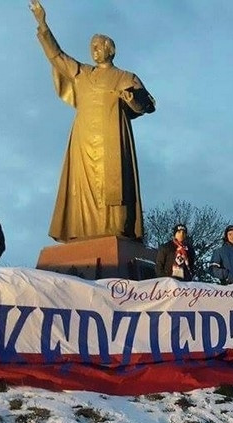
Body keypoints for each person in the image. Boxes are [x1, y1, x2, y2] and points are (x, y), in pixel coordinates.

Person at [30, 0, 156, 242]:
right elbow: (57, 56)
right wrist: (43, 24)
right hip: (84, 138)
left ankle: (117, 230)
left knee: (114, 188)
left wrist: (131, 98)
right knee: (81, 188)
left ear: (110, 49)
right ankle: (80, 231)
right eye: (92, 46)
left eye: (98, 46)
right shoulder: (82, 73)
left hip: (112, 139)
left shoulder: (125, 76)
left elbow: (146, 104)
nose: (94, 50)